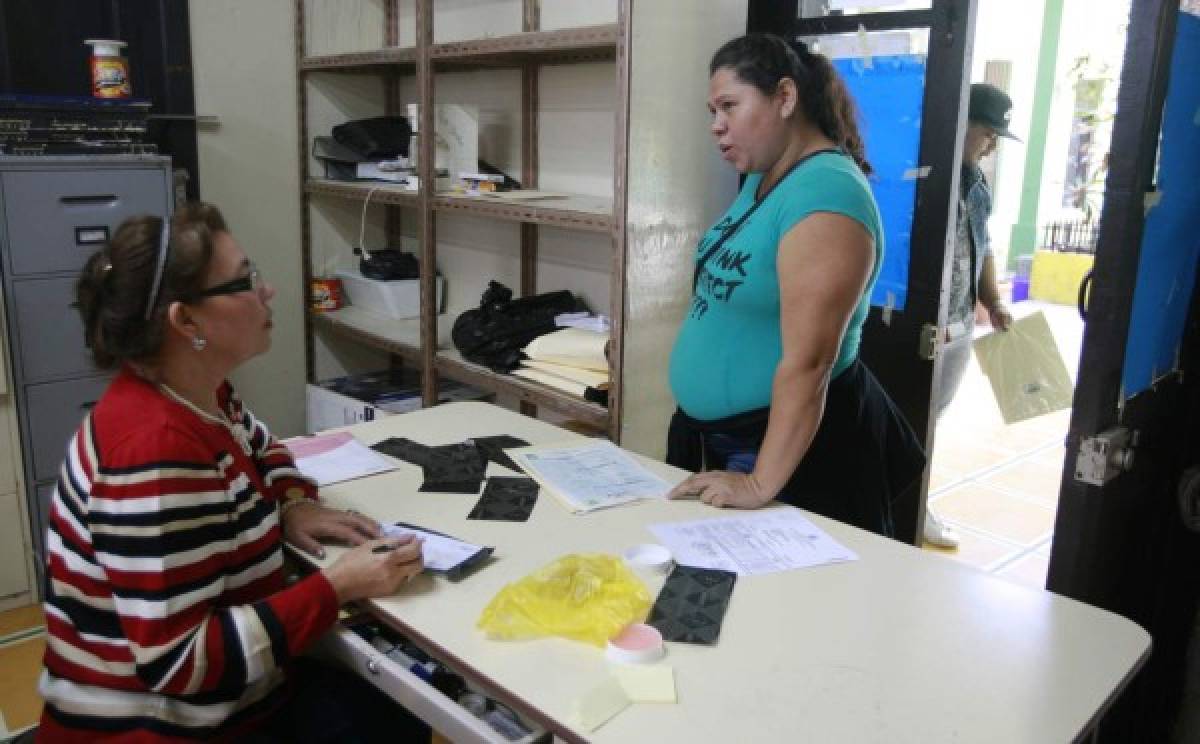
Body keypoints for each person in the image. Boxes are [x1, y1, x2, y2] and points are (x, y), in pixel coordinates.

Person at [37, 203, 429, 742]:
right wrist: (336, 587)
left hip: (228, 701)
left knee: (389, 709)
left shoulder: (199, 392)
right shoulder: (155, 450)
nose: (266, 292)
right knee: (389, 715)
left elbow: (261, 447)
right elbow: (180, 663)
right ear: (186, 320)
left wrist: (293, 503)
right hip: (156, 728)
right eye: (244, 280)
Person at [665, 33, 925, 539]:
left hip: (783, 455)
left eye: (729, 106)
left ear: (785, 97)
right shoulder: (767, 178)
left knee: (781, 611)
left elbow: (810, 363)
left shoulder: (827, 193)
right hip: (723, 439)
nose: (717, 126)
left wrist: (761, 482)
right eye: (712, 111)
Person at [924, 82, 1020, 549]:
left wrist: (993, 300)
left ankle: (916, 499)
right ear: (961, 125)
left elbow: (984, 248)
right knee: (911, 415)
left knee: (933, 416)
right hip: (924, 325)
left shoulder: (978, 186)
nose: (992, 145)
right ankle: (908, 503)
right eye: (987, 133)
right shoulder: (926, 176)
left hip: (959, 321)